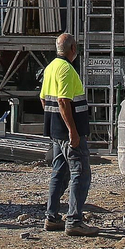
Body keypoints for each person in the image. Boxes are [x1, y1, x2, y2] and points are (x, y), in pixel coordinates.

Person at [40, 32, 97, 236]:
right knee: (80, 174)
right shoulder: (66, 69)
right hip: (69, 133)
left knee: (59, 172)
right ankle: (74, 221)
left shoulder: (50, 68)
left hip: (56, 132)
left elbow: (44, 99)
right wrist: (73, 131)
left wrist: (54, 122)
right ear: (73, 49)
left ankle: (52, 217)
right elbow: (64, 101)